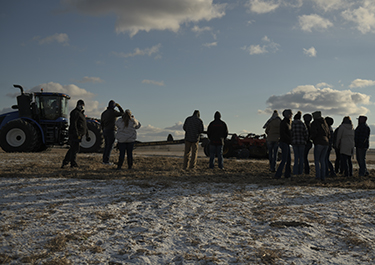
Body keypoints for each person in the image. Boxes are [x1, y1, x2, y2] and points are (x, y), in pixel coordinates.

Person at [61, 99, 88, 168]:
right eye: (80, 105)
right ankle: (73, 163)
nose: (82, 107)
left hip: (80, 134)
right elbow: (74, 124)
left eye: (83, 105)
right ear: (77, 105)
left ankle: (66, 162)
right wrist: (76, 134)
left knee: (73, 149)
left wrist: (86, 133)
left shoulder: (81, 114)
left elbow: (84, 124)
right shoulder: (75, 113)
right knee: (74, 149)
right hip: (75, 134)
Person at [101, 100, 124, 165]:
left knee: (106, 146)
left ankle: (104, 160)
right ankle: (106, 161)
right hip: (111, 130)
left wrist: (103, 130)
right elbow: (122, 113)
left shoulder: (104, 113)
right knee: (110, 146)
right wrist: (119, 107)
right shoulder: (113, 112)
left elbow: (101, 123)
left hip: (105, 130)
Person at [310, 111, 330, 181]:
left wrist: (312, 138)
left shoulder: (314, 123)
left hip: (318, 142)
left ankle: (318, 176)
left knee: (316, 160)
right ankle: (323, 176)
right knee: (322, 160)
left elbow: (314, 133)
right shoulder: (325, 123)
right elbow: (328, 133)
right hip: (326, 143)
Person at [275, 109, 292, 179]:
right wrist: (290, 139)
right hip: (284, 142)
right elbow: (283, 133)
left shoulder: (287, 122)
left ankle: (287, 174)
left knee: (288, 159)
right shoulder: (284, 123)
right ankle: (278, 174)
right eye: (291, 114)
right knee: (285, 159)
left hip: (286, 142)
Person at [291, 111, 307, 176]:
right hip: (302, 142)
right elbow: (306, 133)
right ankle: (300, 171)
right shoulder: (302, 124)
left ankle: (295, 171)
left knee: (296, 157)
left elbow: (290, 133)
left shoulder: (292, 124)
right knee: (301, 158)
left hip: (294, 142)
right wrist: (305, 139)